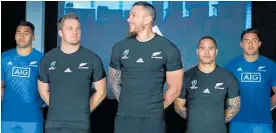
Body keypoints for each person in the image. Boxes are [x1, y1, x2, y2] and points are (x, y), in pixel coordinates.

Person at [108, 2, 184, 133]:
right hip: (124, 118)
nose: (128, 19)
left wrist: (155, 109)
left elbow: (175, 89)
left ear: (147, 19)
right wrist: (129, 105)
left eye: (133, 15)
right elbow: (114, 82)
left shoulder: (168, 48)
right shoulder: (119, 47)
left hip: (153, 120)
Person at [38, 13, 107, 133]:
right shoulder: (48, 58)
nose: (75, 32)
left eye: (78, 29)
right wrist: (59, 109)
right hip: (54, 123)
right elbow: (43, 90)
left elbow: (102, 91)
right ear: (60, 33)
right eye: (70, 29)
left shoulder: (92, 58)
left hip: (81, 124)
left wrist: (84, 111)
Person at [174, 36, 241, 133]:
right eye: (202, 48)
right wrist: (195, 120)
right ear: (197, 51)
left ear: (216, 52)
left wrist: (216, 122)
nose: (206, 52)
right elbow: (178, 106)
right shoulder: (186, 77)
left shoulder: (228, 77)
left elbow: (235, 107)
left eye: (211, 48)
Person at [225, 28, 276, 133]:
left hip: (263, 123)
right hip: (237, 122)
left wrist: (267, 107)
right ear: (241, 44)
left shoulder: (271, 65)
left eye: (254, 40)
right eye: (246, 41)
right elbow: (222, 93)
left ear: (259, 43)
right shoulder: (231, 66)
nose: (250, 44)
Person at [1, 21, 44, 133]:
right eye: (18, 33)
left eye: (26, 33)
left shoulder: (42, 59)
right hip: (7, 118)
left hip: (32, 118)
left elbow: (48, 87)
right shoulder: (4, 58)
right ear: (15, 36)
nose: (21, 36)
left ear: (33, 37)